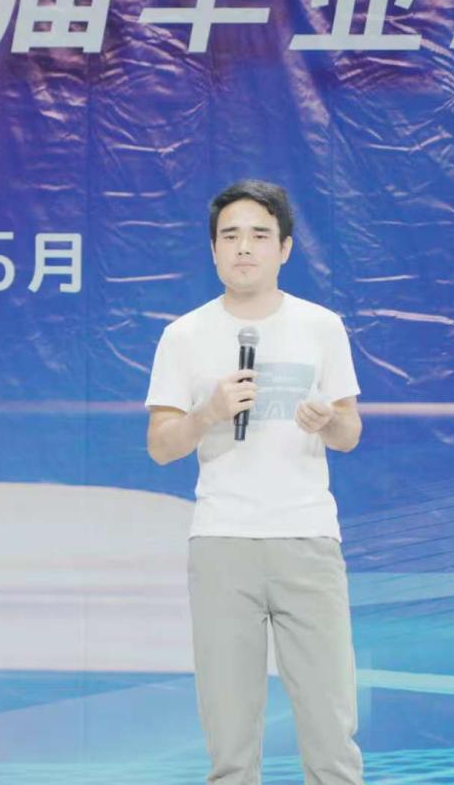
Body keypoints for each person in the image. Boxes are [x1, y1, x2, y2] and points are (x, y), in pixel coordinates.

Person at [146, 179, 365, 785]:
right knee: (230, 737)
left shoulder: (321, 326)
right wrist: (207, 413)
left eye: (260, 236)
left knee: (330, 730)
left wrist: (328, 422)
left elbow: (350, 431)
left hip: (308, 540)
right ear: (214, 250)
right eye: (231, 236)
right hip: (223, 541)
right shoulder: (185, 335)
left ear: (285, 248)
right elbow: (161, 445)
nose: (244, 248)